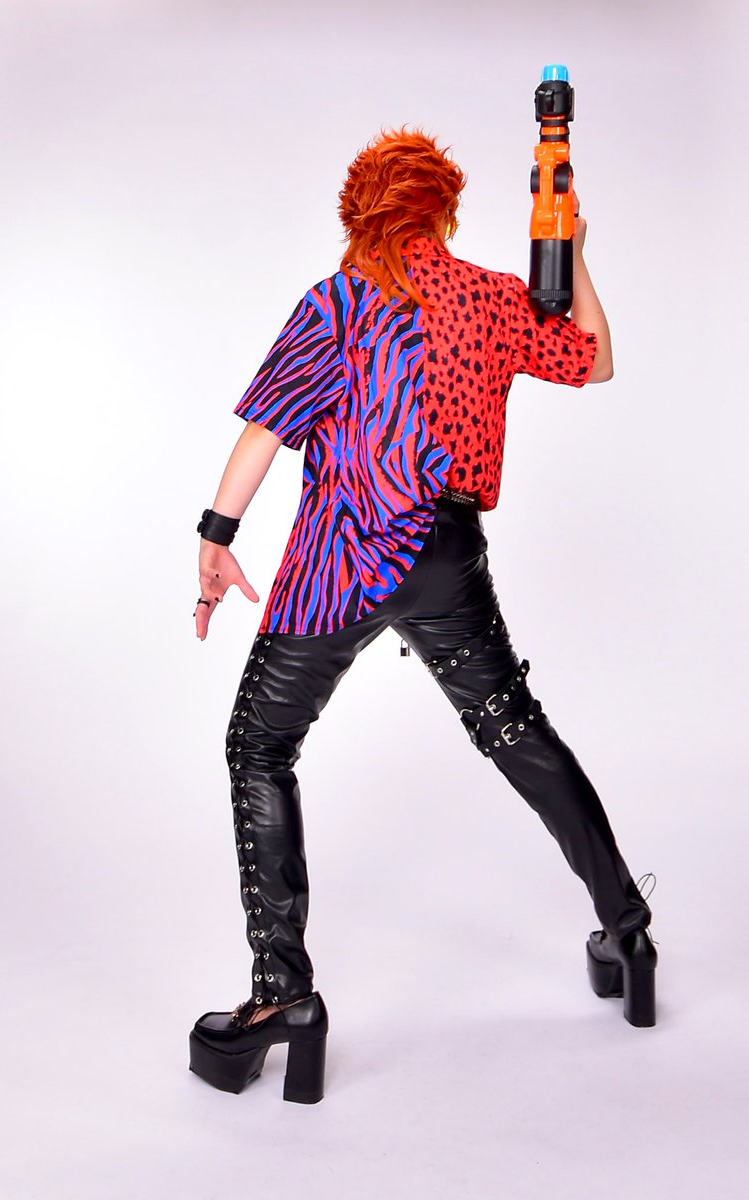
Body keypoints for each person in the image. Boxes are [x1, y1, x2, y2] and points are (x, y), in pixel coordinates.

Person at [187, 126, 658, 1105]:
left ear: (358, 212)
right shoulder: (491, 296)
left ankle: (283, 996)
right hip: (444, 556)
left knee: (260, 747)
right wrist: (574, 250)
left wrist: (216, 535)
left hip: (341, 559)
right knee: (514, 728)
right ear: (443, 212)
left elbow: (265, 428)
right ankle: (627, 931)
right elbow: (594, 361)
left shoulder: (338, 300)